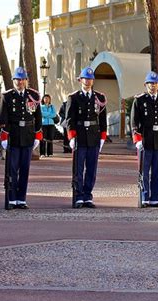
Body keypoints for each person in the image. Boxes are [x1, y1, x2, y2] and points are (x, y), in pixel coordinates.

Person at [0, 67, 42, 209]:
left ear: (26, 81)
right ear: (13, 80)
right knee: (12, 169)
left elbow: (38, 117)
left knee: (25, 169)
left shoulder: (33, 96)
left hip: (28, 135)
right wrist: (4, 136)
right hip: (14, 135)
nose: (20, 82)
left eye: (22, 79)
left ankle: (21, 198)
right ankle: (12, 198)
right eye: (17, 79)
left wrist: (38, 134)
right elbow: (3, 118)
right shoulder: (8, 96)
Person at [66, 66, 107, 208]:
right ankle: (78, 196)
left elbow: (102, 119)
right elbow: (70, 119)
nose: (88, 81)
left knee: (91, 168)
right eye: (86, 79)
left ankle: (88, 196)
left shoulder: (99, 98)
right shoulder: (74, 97)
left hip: (94, 136)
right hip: (80, 135)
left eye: (90, 79)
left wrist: (102, 137)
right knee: (78, 169)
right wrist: (71, 137)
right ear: (80, 80)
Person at [130, 71, 158, 208]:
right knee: (144, 170)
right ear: (145, 84)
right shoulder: (140, 100)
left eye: (155, 83)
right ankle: (144, 197)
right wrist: (137, 139)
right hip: (146, 139)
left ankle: (155, 198)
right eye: (150, 83)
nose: (152, 86)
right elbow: (134, 121)